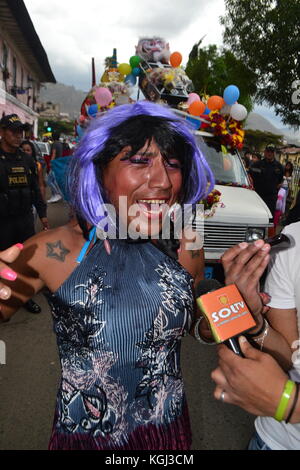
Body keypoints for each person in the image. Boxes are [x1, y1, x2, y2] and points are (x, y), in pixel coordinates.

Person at [0, 101, 215, 450]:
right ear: (99, 170)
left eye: (173, 164)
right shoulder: (52, 249)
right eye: (139, 161)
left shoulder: (186, 240)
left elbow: (194, 325)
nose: (162, 181)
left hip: (168, 433)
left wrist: (235, 317)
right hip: (88, 438)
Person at [212, 220, 300, 450]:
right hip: (273, 440)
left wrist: (290, 405)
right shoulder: (293, 238)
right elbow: (292, 357)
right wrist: (254, 322)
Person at [0, 114, 48, 314]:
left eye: (21, 131)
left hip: (24, 220)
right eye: (13, 131)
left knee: (24, 260)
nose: (18, 135)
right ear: (2, 133)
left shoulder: (27, 159)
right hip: (2, 222)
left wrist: (43, 214)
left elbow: (35, 190)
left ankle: (23, 297)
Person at [249, 144, 284, 217]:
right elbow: (249, 178)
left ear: (274, 153)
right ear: (265, 152)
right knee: (255, 216)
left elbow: (280, 182)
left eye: (271, 151)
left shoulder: (279, 167)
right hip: (257, 197)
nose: (269, 153)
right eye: (268, 151)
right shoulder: (256, 165)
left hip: (271, 199)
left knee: (269, 218)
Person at [47, 132, 63, 203]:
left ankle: (57, 194)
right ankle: (54, 196)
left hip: (54, 164)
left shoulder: (54, 144)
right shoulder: (60, 144)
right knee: (54, 180)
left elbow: (54, 153)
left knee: (49, 180)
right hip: (58, 164)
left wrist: (51, 162)